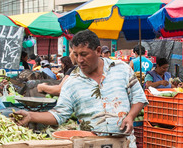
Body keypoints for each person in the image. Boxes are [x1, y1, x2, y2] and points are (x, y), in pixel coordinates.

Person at [14, 30, 148, 141]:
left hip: (125, 144)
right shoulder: (72, 82)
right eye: (76, 54)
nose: (79, 60)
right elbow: (59, 115)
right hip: (90, 147)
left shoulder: (121, 69)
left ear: (98, 50)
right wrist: (31, 116)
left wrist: (130, 116)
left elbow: (139, 98)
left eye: (84, 54)